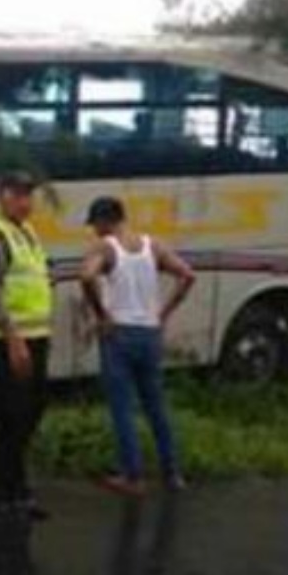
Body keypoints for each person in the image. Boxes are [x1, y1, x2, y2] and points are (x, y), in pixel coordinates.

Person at [79, 196, 196, 496]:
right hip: (149, 334)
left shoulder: (105, 247)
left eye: (95, 224)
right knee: (156, 406)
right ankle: (173, 475)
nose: (94, 231)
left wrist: (102, 315)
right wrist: (163, 313)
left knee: (123, 409)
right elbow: (187, 274)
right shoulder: (151, 245)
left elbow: (86, 276)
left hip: (119, 335)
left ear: (106, 221)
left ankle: (133, 477)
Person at [0, 170, 55, 521]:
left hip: (34, 335)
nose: (25, 202)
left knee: (32, 408)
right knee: (9, 415)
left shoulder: (27, 233)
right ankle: (14, 492)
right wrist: (13, 338)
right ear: (1, 196)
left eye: (28, 195)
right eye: (18, 195)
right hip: (4, 339)